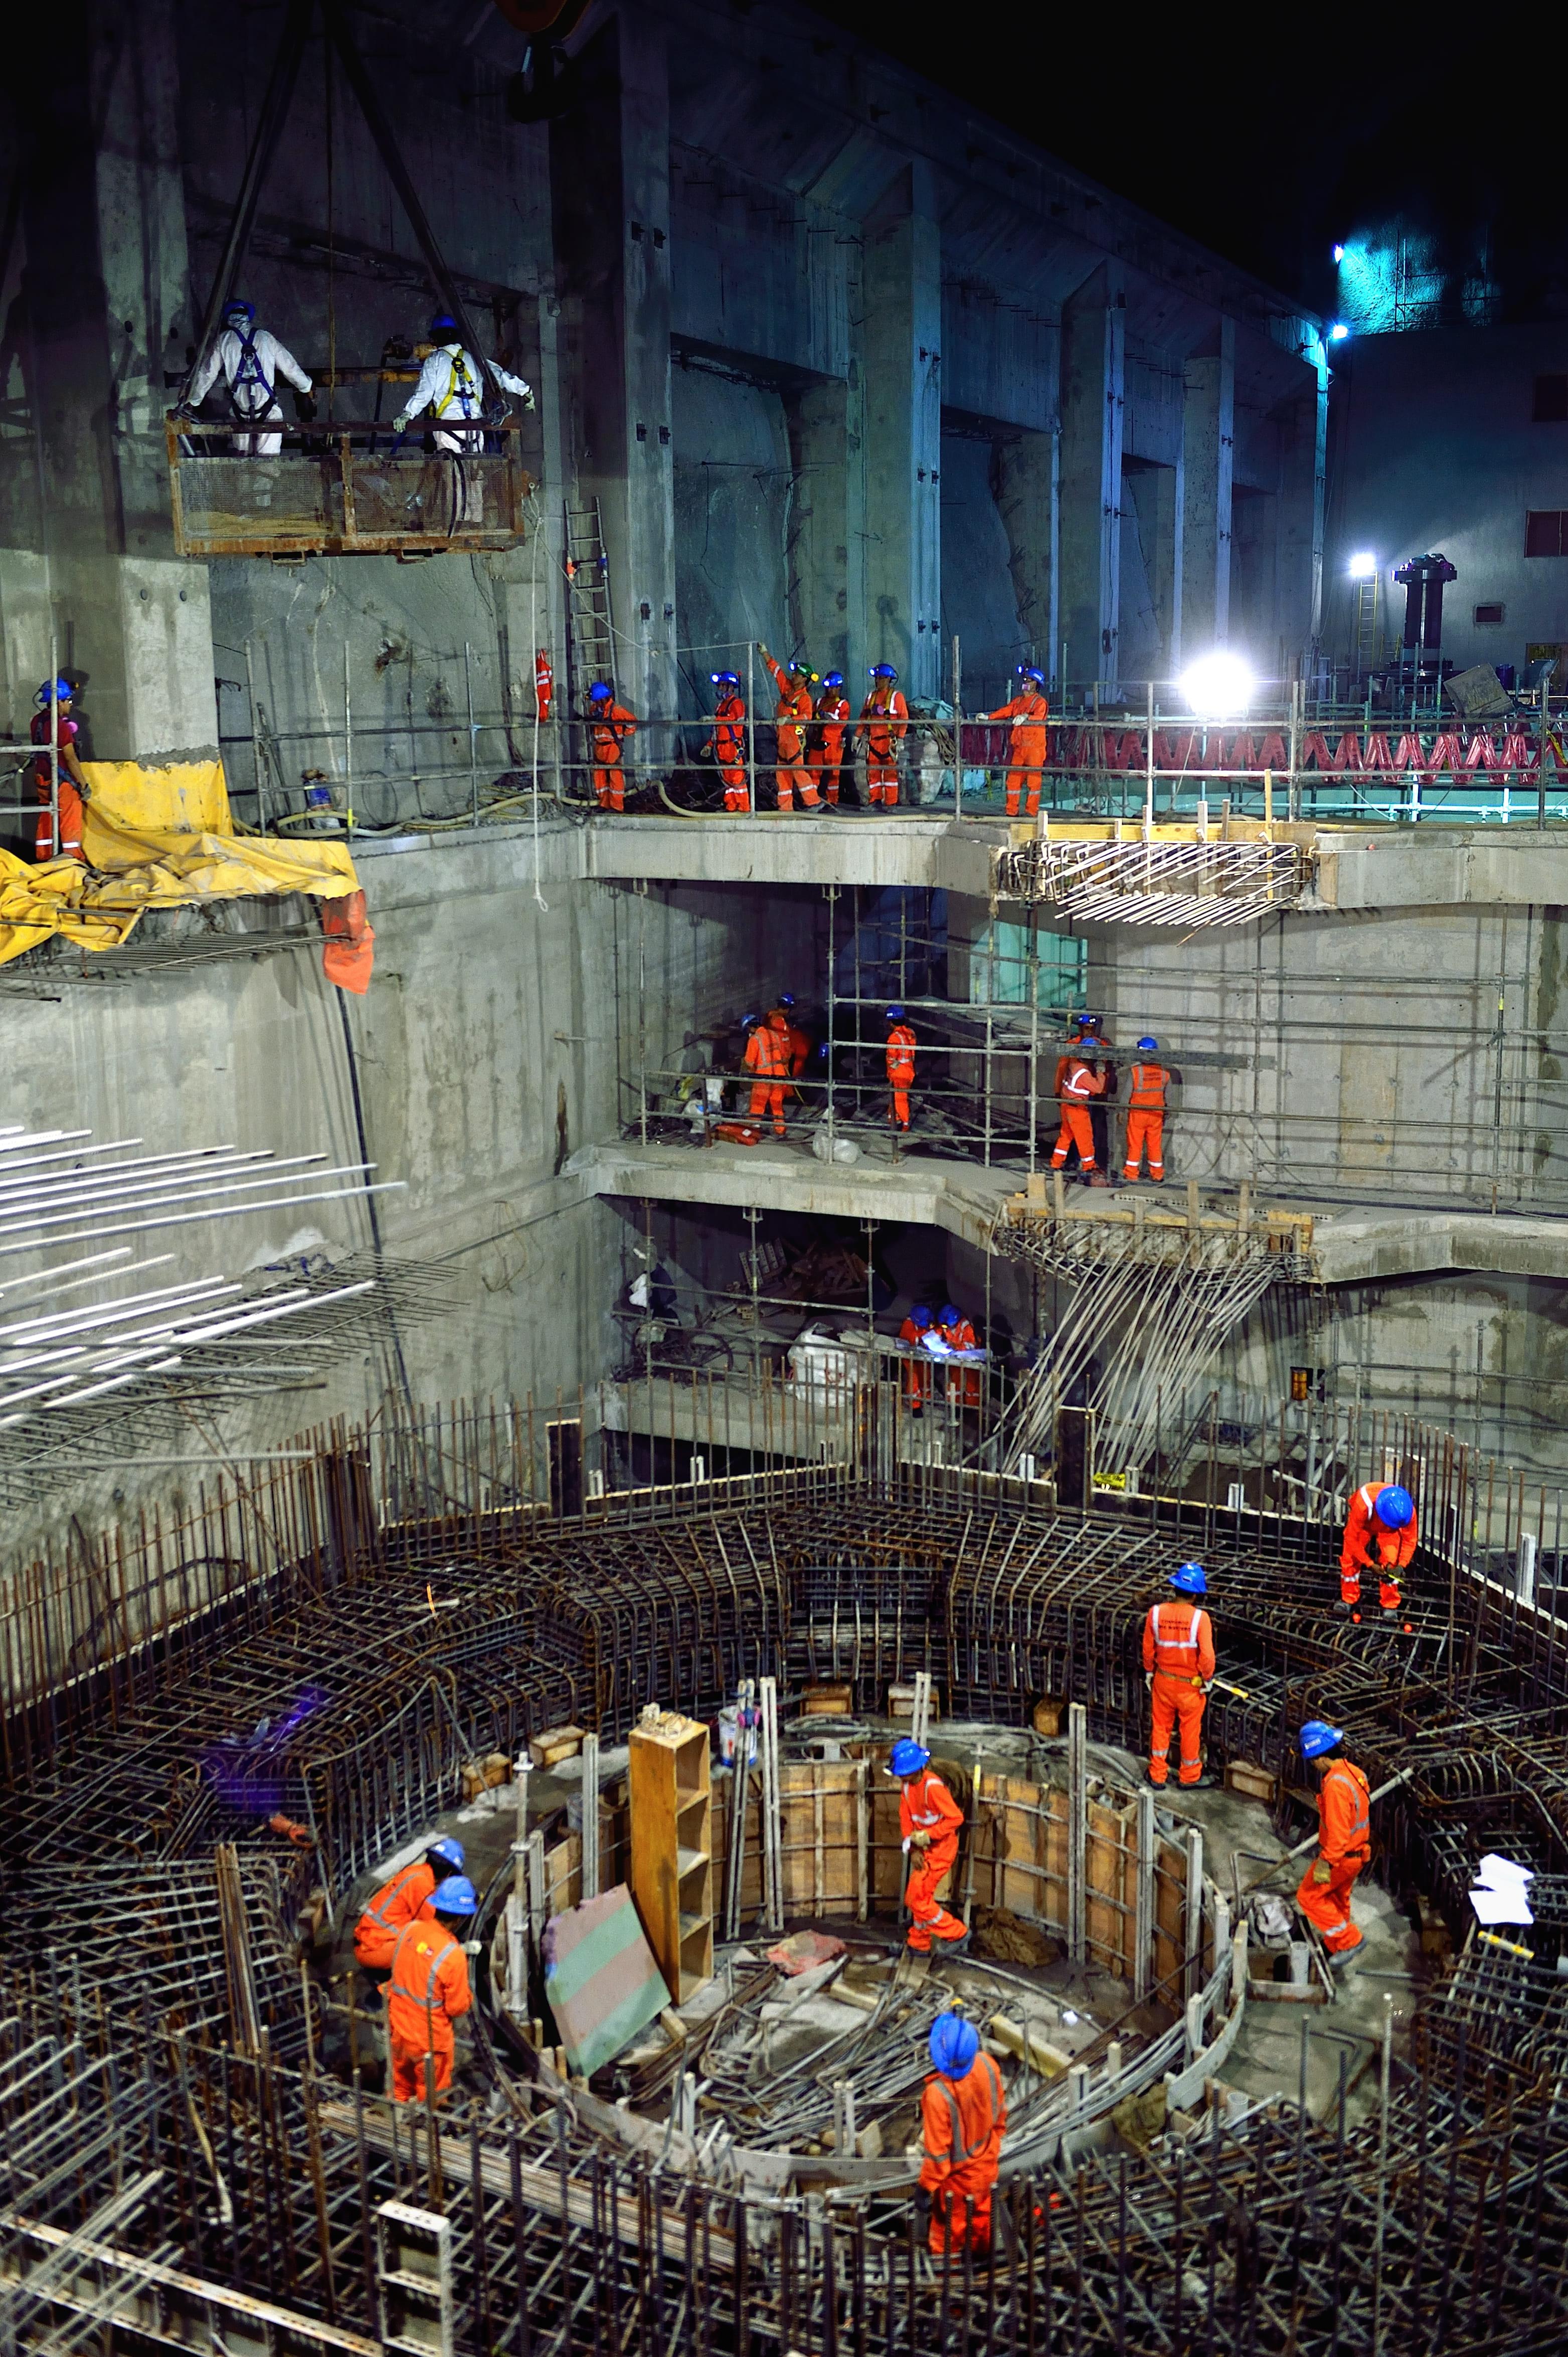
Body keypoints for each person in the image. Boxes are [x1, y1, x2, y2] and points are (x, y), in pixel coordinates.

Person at [920, 2013, 1006, 2257]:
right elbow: (1000, 2115)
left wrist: (925, 2189)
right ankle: (985, 2263)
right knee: (983, 2221)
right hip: (988, 2166)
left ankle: (951, 2284)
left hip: (957, 2186)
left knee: (948, 2241)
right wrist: (992, 2146)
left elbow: (937, 2157)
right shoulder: (989, 2065)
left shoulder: (938, 2096)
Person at [386, 1873, 477, 2102]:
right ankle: (427, 2134)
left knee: (400, 2088)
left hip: (398, 2029)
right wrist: (469, 1996)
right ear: (459, 1919)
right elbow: (457, 2008)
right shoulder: (453, 1956)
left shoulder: (410, 1929)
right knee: (432, 2098)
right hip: (429, 2042)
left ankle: (397, 2128)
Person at [186, 298, 313, 456]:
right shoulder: (265, 338)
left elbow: (208, 373)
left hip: (241, 415)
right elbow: (289, 366)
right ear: (247, 316)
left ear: (229, 318)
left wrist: (193, 401)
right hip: (269, 413)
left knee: (244, 463)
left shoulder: (224, 340)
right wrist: (306, 387)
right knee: (268, 465)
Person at [391, 311, 535, 451]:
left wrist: (407, 415)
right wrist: (525, 391)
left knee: (452, 474)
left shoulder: (435, 360)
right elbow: (500, 375)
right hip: (476, 429)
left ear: (435, 338)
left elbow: (424, 393)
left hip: (449, 430)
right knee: (476, 474)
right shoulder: (473, 358)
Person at [1294, 1721, 1371, 1967]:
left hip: (1341, 1856)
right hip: (1357, 1855)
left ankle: (1349, 1940)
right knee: (1337, 1901)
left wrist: (1325, 1863)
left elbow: (1338, 1834)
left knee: (1309, 1897)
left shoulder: (1336, 1785)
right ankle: (1334, 1945)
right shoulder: (1353, 1772)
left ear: (1320, 1756)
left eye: (1312, 1759)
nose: (1313, 1765)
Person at [889, 1738, 968, 1956]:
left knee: (918, 1899)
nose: (900, 1777)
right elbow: (906, 1819)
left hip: (941, 1849)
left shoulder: (933, 1787)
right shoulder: (907, 1787)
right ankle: (919, 1943)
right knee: (915, 1896)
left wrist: (929, 1835)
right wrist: (914, 1849)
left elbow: (956, 1818)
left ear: (914, 1770)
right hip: (923, 1850)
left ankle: (957, 1934)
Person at [1143, 1562, 1214, 1788]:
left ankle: (1157, 1775)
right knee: (1190, 1731)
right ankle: (1189, 1777)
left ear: (1175, 1588)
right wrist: (1208, 1679)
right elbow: (1207, 1657)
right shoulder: (1200, 1619)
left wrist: (1148, 1671)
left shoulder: (1155, 1613)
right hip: (1190, 1687)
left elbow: (1147, 1648)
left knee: (1161, 1727)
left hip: (1163, 1681)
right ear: (1196, 1595)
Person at [354, 1836, 467, 1973]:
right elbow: (437, 1926)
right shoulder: (422, 1885)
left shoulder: (416, 1872)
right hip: (377, 1949)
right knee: (431, 1948)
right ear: (449, 1874)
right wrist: (459, 1949)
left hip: (371, 1942)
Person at [29, 678, 90, 863]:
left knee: (47, 816)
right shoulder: (60, 726)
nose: (70, 705)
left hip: (43, 780)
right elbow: (70, 757)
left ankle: (44, 857)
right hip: (62, 781)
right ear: (59, 701)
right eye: (68, 701)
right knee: (70, 817)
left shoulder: (36, 721)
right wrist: (83, 784)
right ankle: (73, 859)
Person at [1338, 1481, 1416, 1617]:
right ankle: (1349, 1598)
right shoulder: (1363, 1505)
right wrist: (1370, 1564)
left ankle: (1390, 1604)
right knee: (1350, 1559)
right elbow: (1351, 1539)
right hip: (1365, 1526)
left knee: (1391, 1562)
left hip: (1389, 1531)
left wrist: (1402, 1565)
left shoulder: (1406, 1513)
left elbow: (1410, 1540)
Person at [984, 665, 1051, 818]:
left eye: (1029, 680)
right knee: (1013, 780)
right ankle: (1011, 811)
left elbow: (1040, 717)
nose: (1026, 683)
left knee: (1034, 782)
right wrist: (989, 717)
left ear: (1037, 684)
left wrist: (1027, 717)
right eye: (1025, 679)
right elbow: (1007, 711)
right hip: (1020, 747)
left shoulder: (1040, 702)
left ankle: (1031, 812)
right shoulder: (1019, 701)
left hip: (1035, 748)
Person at [758, 646, 819, 811]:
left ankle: (813, 802)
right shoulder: (788, 690)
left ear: (805, 679)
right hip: (783, 740)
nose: (794, 676)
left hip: (793, 740)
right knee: (783, 775)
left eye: (798, 674)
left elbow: (808, 717)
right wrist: (765, 653)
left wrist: (790, 719)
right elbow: (777, 672)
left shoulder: (804, 698)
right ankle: (785, 808)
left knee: (798, 771)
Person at [1050, 1040, 1107, 1178]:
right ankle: (1089, 1166)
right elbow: (1098, 1089)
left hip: (1067, 1106)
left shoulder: (1074, 1066)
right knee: (1085, 1138)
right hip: (1077, 1109)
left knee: (1066, 1136)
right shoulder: (1083, 1072)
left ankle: (1056, 1163)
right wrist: (1100, 1072)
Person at [858, 665, 908, 807]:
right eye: (876, 678)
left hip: (889, 742)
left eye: (881, 678)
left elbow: (904, 718)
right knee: (873, 774)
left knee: (890, 774)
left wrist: (901, 739)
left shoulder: (896, 697)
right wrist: (857, 736)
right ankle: (875, 801)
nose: (877, 681)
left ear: (888, 679)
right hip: (873, 742)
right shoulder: (871, 697)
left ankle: (891, 803)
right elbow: (863, 718)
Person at [1123, 1037, 1169, 1184]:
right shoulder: (1164, 1073)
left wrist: (1121, 1111)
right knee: (1155, 1145)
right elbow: (1170, 1097)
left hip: (1138, 1115)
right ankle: (1157, 1175)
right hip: (1156, 1115)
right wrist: (1168, 1114)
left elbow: (1126, 1095)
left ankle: (1131, 1175)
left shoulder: (1136, 1072)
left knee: (1135, 1145)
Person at [587, 682, 637, 811]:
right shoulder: (594, 710)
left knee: (615, 776)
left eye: (597, 701)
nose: (595, 704)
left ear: (603, 699)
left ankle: (616, 807)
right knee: (599, 775)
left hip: (612, 747)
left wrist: (624, 734)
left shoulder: (617, 710)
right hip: (599, 747)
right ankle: (604, 804)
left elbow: (632, 722)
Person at [744, 1006, 792, 1135]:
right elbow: (784, 1054)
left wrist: (752, 1071)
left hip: (764, 1076)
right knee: (777, 1104)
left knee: (758, 1105)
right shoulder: (775, 1035)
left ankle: (754, 1131)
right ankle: (780, 1130)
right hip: (779, 1074)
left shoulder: (755, 1039)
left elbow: (749, 1061)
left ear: (750, 1027)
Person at [706, 671, 749, 811]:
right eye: (720, 686)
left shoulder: (737, 704)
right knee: (728, 781)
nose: (721, 688)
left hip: (733, 747)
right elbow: (716, 729)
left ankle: (744, 808)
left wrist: (715, 719)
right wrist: (709, 745)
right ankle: (731, 807)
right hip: (722, 748)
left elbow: (735, 719)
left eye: (724, 685)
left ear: (731, 687)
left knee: (737, 780)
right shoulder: (719, 707)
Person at [809, 671, 851, 806]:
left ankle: (832, 801)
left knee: (833, 774)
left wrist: (826, 716)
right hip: (818, 740)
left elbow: (841, 722)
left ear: (839, 688)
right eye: (828, 687)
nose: (830, 690)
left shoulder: (843, 704)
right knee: (813, 771)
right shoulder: (820, 702)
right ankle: (812, 799)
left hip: (834, 743)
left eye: (833, 687)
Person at [937, 1302, 984, 1409]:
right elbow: (939, 1332)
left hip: (971, 1357)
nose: (947, 1328)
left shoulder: (966, 1327)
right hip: (956, 1357)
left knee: (972, 1382)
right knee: (954, 1380)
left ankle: (972, 1406)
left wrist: (957, 1347)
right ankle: (955, 1406)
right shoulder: (946, 1324)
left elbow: (971, 1344)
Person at [899, 1303, 934, 1416]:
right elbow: (913, 1339)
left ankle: (926, 1397)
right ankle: (915, 1405)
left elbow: (928, 1332)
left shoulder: (923, 1321)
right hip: (909, 1356)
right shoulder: (908, 1325)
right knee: (914, 1377)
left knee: (926, 1374)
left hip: (920, 1355)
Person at [885, 1005, 917, 1130]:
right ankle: (894, 1119)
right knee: (897, 1098)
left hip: (900, 1072)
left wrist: (891, 1072)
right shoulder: (911, 1033)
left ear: (891, 1022)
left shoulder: (894, 1038)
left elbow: (891, 1058)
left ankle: (904, 1125)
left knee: (899, 1099)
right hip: (909, 1069)